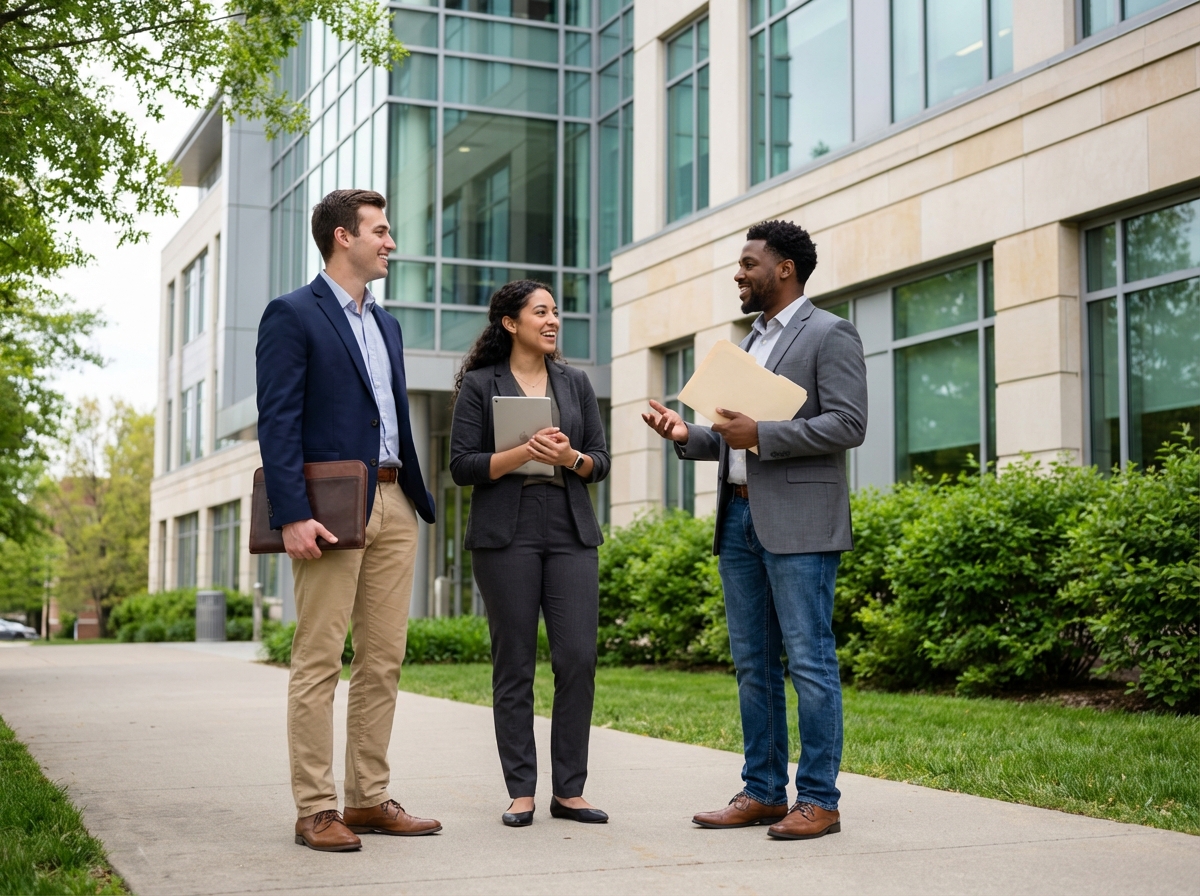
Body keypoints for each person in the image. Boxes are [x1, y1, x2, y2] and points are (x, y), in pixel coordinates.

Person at [642, 220, 867, 840]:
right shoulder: (752, 341)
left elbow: (849, 424)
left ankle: (819, 799)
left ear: (784, 269)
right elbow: (737, 435)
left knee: (811, 663)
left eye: (748, 264)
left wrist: (762, 434)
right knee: (752, 665)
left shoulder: (830, 333)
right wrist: (691, 436)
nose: (738, 274)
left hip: (800, 525)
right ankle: (765, 790)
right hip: (738, 517)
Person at [257, 189, 440, 851]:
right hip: (331, 509)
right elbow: (277, 424)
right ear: (343, 237)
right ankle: (315, 808)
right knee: (318, 659)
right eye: (381, 232)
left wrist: (415, 499)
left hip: (394, 500)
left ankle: (366, 799)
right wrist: (293, 515)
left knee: (383, 660)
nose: (390, 243)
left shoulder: (386, 324)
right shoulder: (292, 315)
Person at [449, 279, 610, 828]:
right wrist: (522, 450)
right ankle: (521, 790)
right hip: (505, 534)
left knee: (578, 659)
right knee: (514, 662)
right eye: (540, 312)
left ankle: (570, 791)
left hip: (569, 528)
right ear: (510, 323)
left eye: (556, 312)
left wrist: (570, 457)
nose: (553, 321)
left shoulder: (576, 382)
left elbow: (600, 463)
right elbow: (462, 466)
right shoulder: (479, 384)